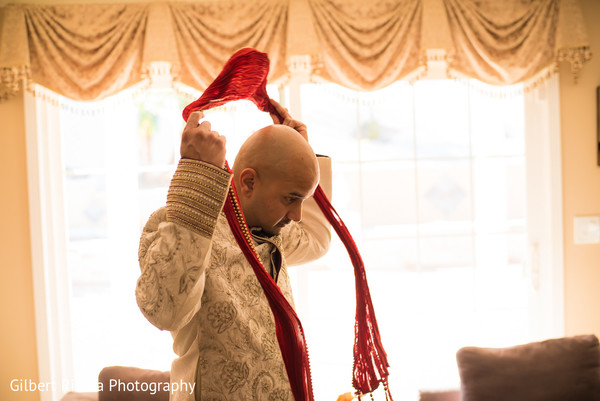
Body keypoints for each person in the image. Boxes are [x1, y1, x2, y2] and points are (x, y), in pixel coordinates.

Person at [135, 100, 332, 401]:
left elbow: (316, 240)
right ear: (249, 182)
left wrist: (301, 156)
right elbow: (164, 310)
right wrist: (198, 174)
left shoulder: (272, 231)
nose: (297, 216)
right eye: (291, 198)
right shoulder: (176, 222)